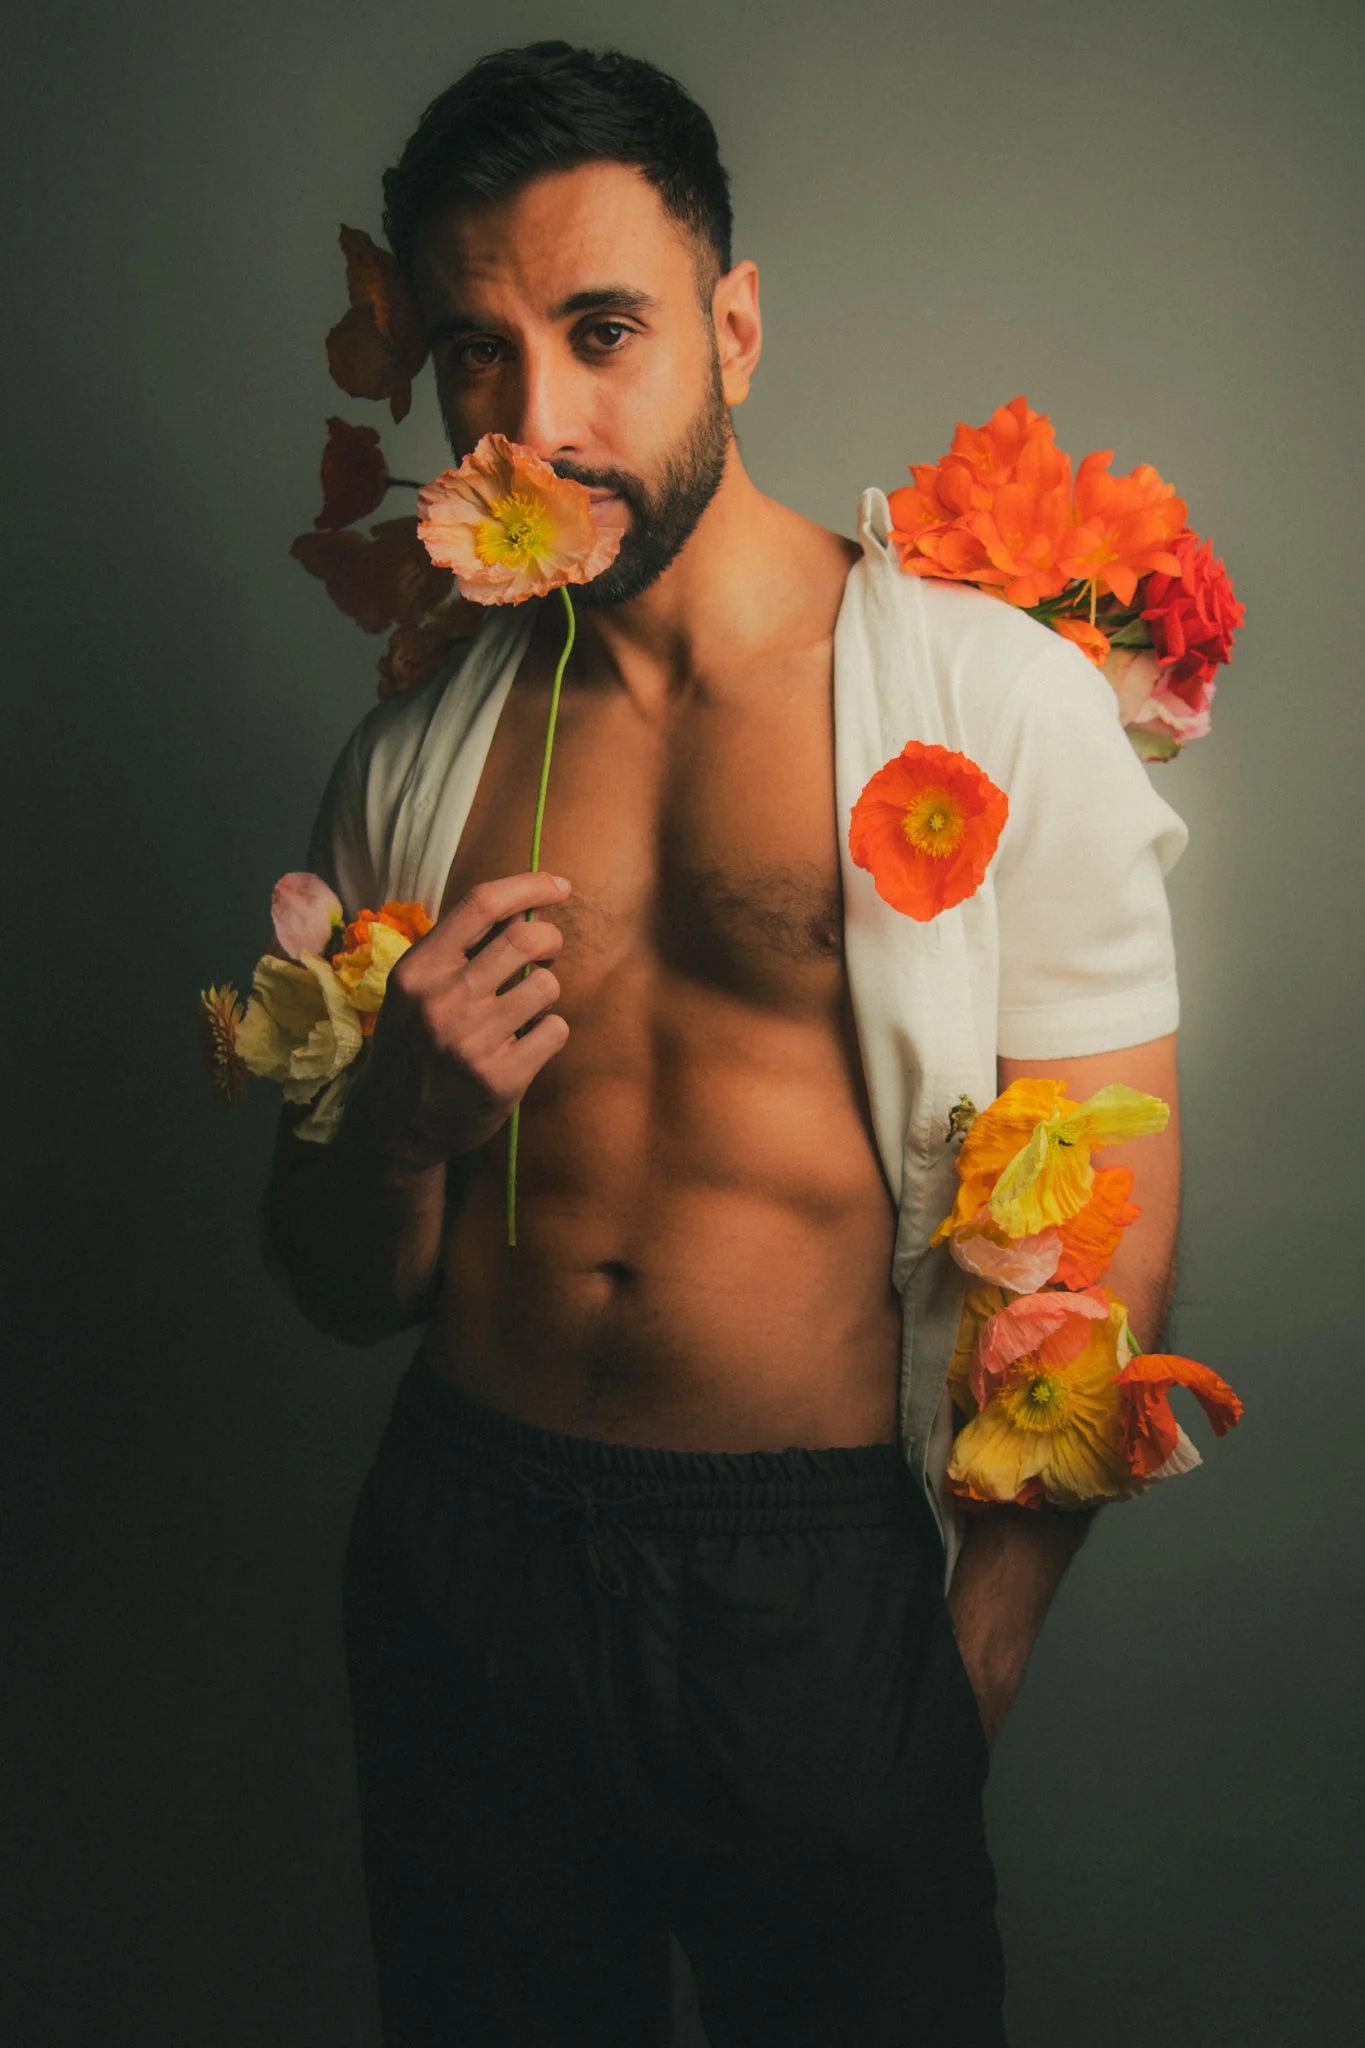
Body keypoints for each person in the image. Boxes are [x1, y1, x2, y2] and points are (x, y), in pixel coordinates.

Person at [263, 40, 1186, 2047]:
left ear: (735, 326)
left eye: (604, 331)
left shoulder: (990, 704)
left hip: (808, 1580)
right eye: (476, 358)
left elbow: (1106, 1234)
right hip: (461, 1546)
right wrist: (400, 1128)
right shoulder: (416, 760)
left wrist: (972, 1658)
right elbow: (336, 1284)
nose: (541, 421)